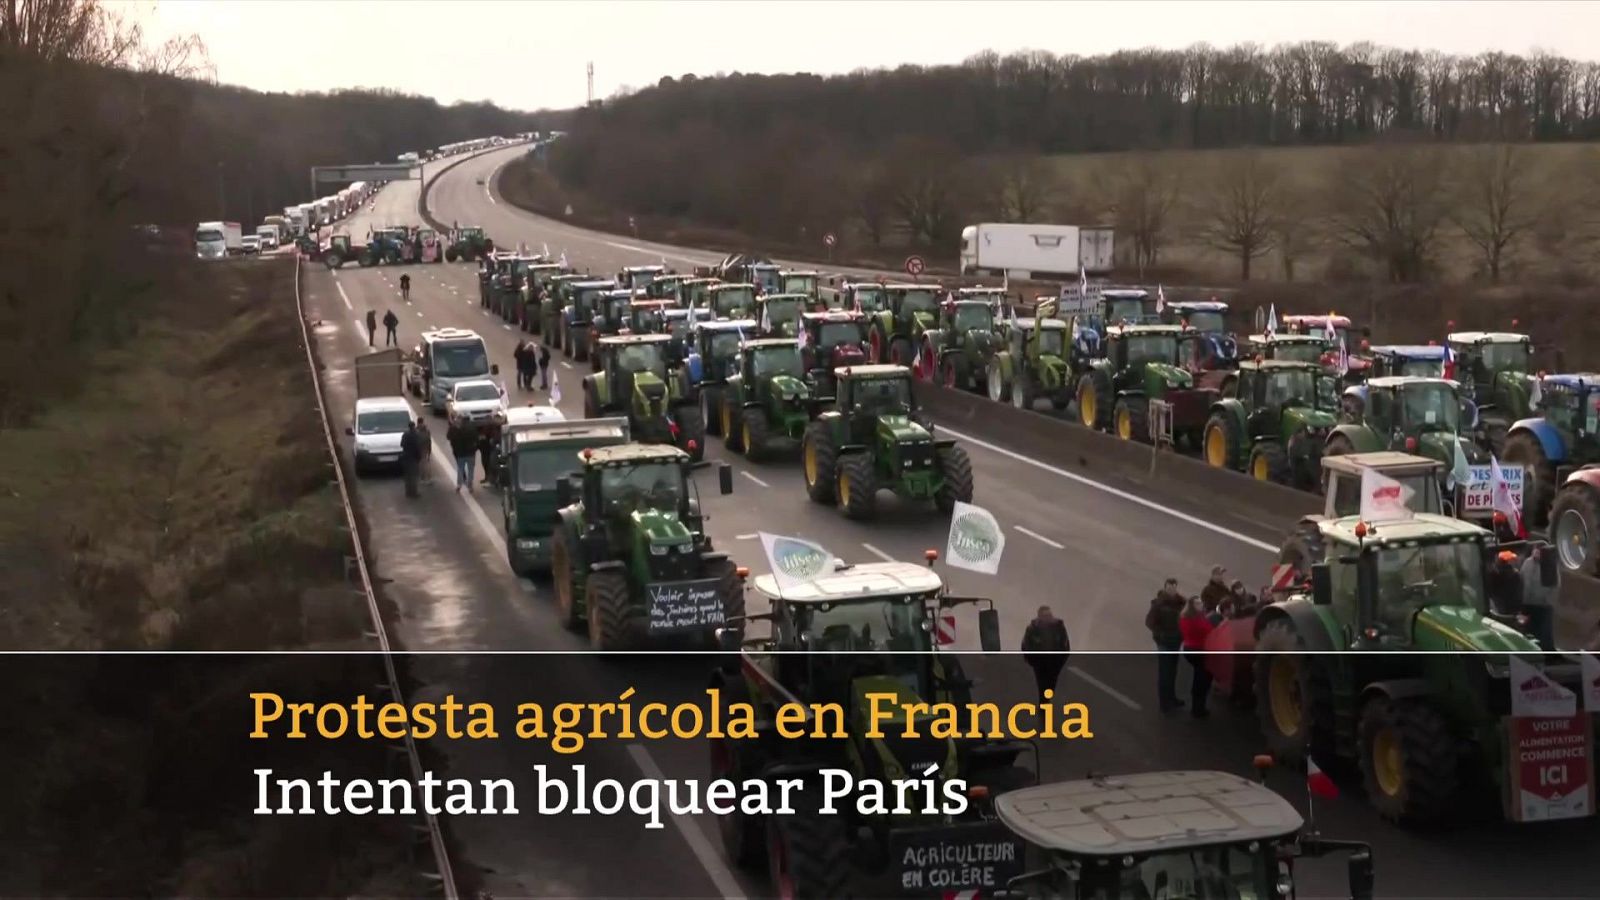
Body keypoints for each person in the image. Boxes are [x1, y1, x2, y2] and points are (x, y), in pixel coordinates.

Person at [1145, 578, 1186, 712]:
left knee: (1172, 671)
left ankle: (1172, 698)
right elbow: (1149, 622)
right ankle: (1164, 703)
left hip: (1175, 641)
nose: (1172, 589)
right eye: (1169, 587)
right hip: (1164, 643)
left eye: (1174, 587)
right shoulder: (1158, 604)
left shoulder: (1180, 602)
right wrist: (1160, 635)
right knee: (1164, 673)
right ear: (1165, 588)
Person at [1021, 606, 1071, 703]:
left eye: (1048, 615)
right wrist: (1030, 659)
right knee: (1042, 683)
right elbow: (1026, 644)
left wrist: (1062, 659)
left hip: (1055, 661)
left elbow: (1065, 643)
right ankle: (1043, 702)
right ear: (1039, 616)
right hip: (1039, 661)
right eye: (1044, 616)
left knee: (1051, 683)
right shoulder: (1032, 628)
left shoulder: (1059, 627)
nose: (1046, 618)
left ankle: (1045, 699)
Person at [1179, 596, 1215, 718]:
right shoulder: (1195, 619)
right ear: (1192, 605)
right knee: (1202, 679)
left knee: (1199, 677)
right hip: (1198, 650)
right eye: (1197, 603)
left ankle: (1197, 706)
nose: (1201, 605)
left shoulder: (1186, 617)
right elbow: (1207, 630)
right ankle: (1198, 708)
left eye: (1201, 603)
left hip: (1190, 649)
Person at [1520, 546, 1557, 650]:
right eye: (1536, 550)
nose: (1537, 553)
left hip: (1543, 605)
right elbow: (1522, 579)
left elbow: (1555, 586)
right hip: (1528, 604)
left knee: (1544, 633)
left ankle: (1547, 652)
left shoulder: (1550, 565)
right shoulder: (1527, 563)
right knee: (1528, 631)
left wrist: (1548, 600)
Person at [446, 418, 477, 492]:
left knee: (460, 469)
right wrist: (475, 448)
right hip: (471, 453)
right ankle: (470, 486)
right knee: (471, 470)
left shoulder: (457, 430)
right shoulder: (472, 429)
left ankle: (459, 485)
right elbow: (476, 439)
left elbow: (450, 438)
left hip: (461, 453)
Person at [399, 420, 421, 498]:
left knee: (407, 476)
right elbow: (418, 446)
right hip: (413, 457)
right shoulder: (416, 435)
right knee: (414, 476)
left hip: (406, 456)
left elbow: (401, 444)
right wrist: (419, 457)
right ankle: (414, 492)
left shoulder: (405, 434)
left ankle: (408, 492)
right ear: (414, 426)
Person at [414, 416, 433, 485]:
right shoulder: (427, 430)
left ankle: (422, 478)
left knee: (421, 464)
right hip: (425, 448)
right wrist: (429, 450)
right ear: (423, 421)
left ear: (417, 422)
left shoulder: (416, 430)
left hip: (419, 448)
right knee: (426, 463)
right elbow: (429, 440)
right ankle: (428, 478)